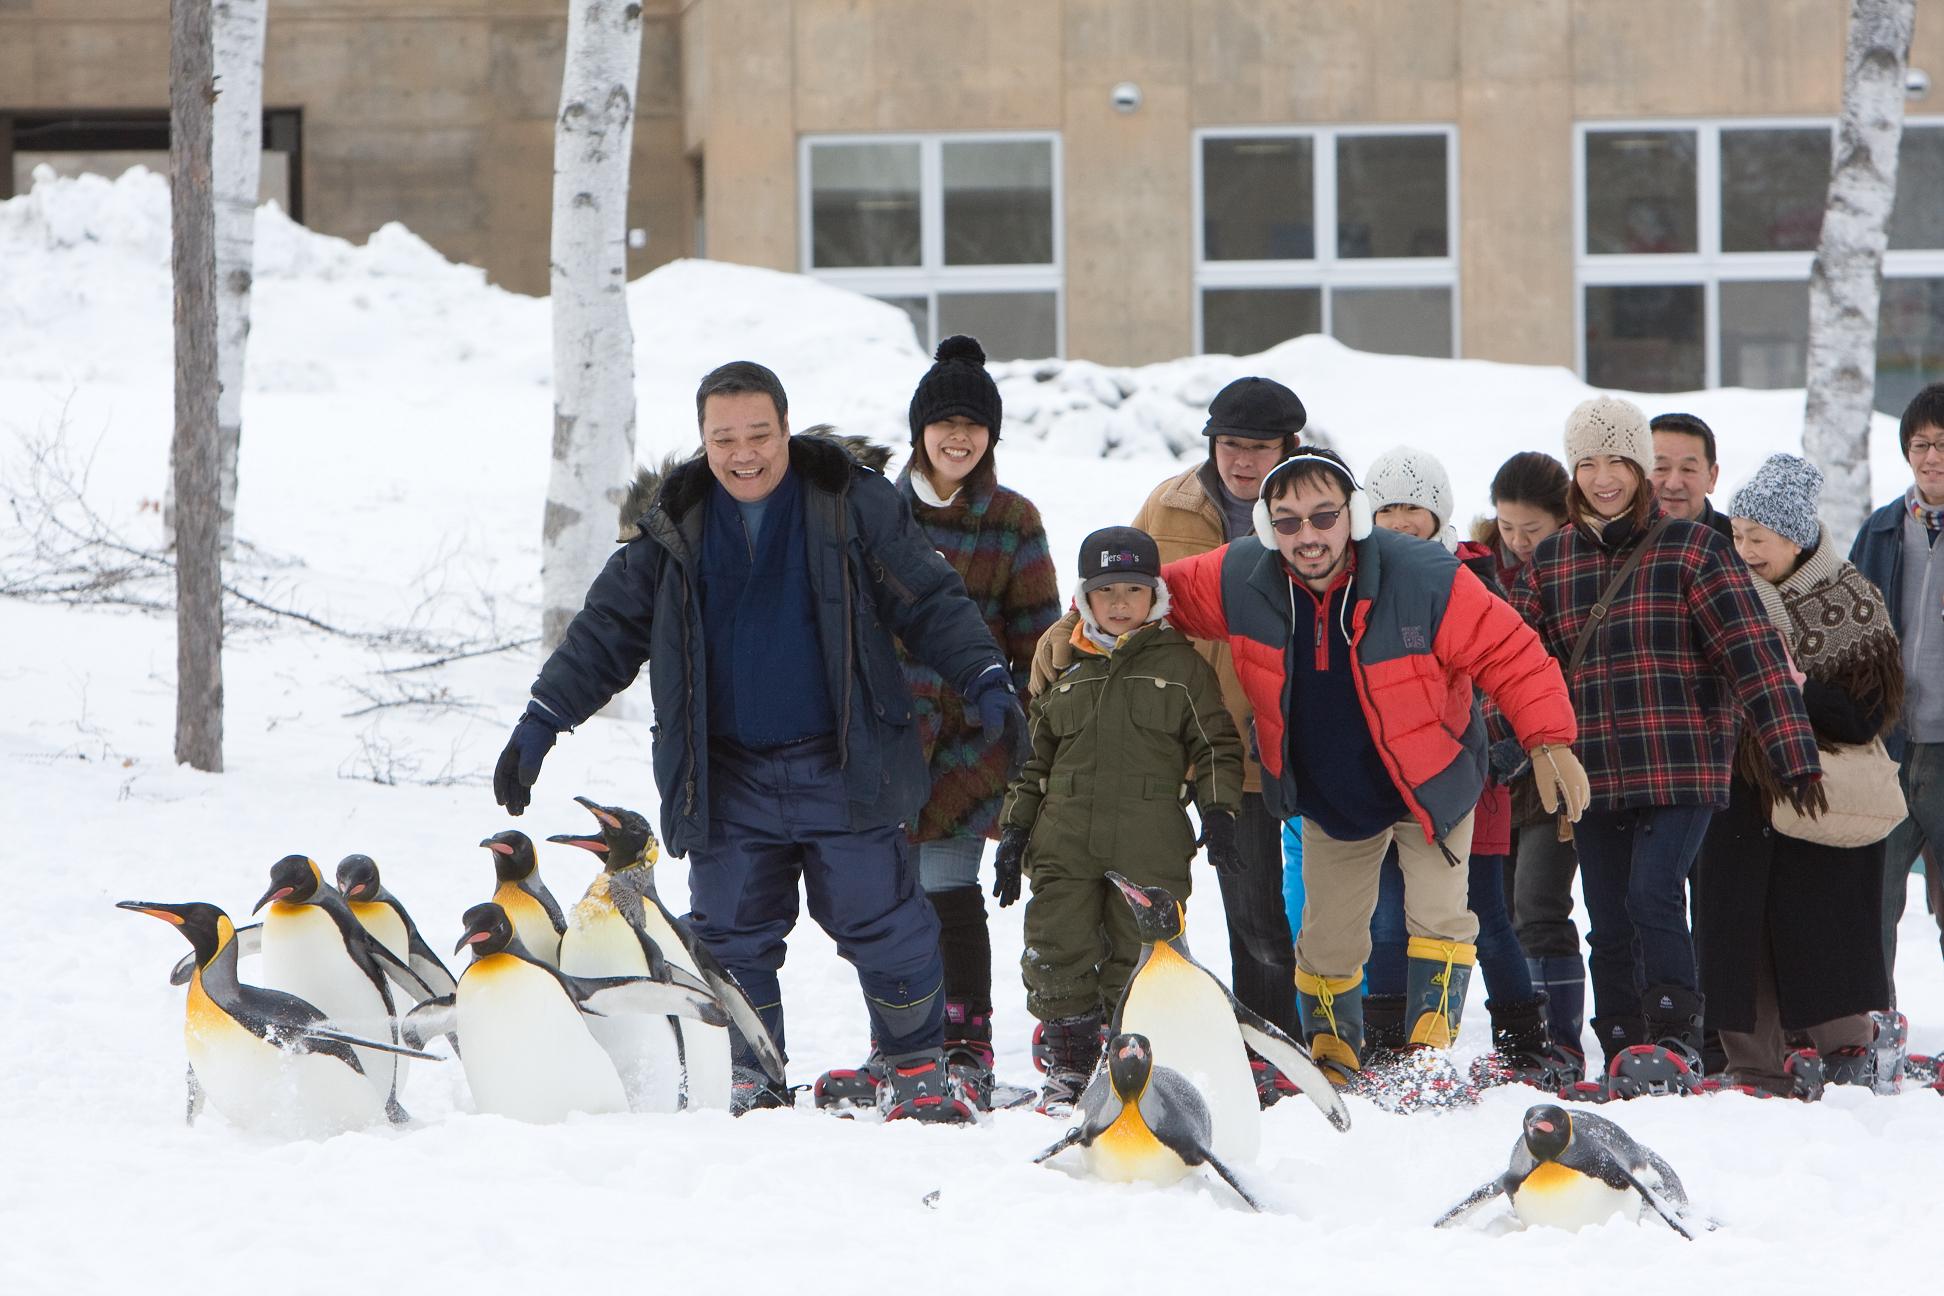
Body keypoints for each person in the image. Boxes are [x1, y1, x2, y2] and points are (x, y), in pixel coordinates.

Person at [492, 360, 1029, 1124]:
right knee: (732, 930)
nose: (744, 454)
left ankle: (915, 1066)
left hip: (844, 761)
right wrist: (543, 718)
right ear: (703, 442)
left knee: (884, 918)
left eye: (759, 434)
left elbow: (926, 596)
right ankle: (751, 1071)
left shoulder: (849, 502)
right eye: (724, 438)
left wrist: (984, 677)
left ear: (785, 427)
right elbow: (608, 629)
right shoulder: (675, 524)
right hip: (726, 772)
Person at [1163, 446, 1586, 1087]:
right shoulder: (1243, 576)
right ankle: (1333, 1055)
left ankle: (1428, 1058)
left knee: (1442, 916)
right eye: (1288, 521)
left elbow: (1512, 653)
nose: (1307, 535)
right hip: (1336, 793)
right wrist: (1080, 621)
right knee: (1329, 937)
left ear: (1354, 515)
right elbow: (1147, 594)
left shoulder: (1424, 576)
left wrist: (1549, 741)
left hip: (1433, 781)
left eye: (1323, 516)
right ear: (1265, 527)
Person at [1507, 395, 1822, 1095]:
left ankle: (1677, 1037)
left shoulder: (1693, 547)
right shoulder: (1554, 558)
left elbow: (1750, 650)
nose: (1602, 478)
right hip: (1596, 771)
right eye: (1586, 463)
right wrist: (1506, 743)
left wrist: (1791, 749)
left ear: (1639, 470)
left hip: (1682, 758)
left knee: (1654, 894)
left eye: (1616, 461)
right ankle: (1621, 1041)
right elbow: (1520, 662)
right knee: (1609, 913)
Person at [1031, 375, 1308, 1104]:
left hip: (1250, 739)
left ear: (1290, 448)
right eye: (1232, 446)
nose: (1245, 463)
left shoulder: (1304, 510)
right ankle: (1119, 1037)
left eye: (1261, 448)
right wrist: (1067, 632)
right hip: (1157, 736)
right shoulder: (1172, 503)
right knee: (1136, 907)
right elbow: (1119, 581)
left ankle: (1270, 1049)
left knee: (1258, 917)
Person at [995, 526, 1243, 1114]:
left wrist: (1220, 809)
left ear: (1154, 595)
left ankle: (1122, 1061)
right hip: (1065, 841)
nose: (1120, 602)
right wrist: (1014, 832)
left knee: (1141, 954)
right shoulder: (1067, 673)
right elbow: (1033, 765)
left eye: (1133, 589)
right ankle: (1070, 1063)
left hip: (1148, 841)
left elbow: (1216, 746)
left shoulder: (1181, 668)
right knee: (1057, 946)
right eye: (1106, 591)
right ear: (1084, 599)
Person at [1360, 446, 1572, 1084]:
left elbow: (1505, 669)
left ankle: (1523, 1041)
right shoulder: (1355, 582)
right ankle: (1388, 1043)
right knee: (1387, 916)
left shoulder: (1469, 580)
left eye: (1413, 509)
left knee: (1483, 914)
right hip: (1384, 786)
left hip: (1467, 784)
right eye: (1387, 509)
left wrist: (1506, 746)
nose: (1400, 522)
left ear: (1439, 514)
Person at [888, 335, 1058, 1102]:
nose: (958, 437)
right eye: (944, 423)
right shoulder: (877, 512)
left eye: (974, 425)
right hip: (884, 736)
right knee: (886, 898)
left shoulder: (1012, 518)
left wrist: (1024, 724)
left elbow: (1038, 635)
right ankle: (903, 1034)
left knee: (946, 887)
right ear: (919, 430)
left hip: (970, 737)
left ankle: (966, 1039)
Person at [1699, 454, 1900, 1096]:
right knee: (1737, 934)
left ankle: (1847, 1048)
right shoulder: (1718, 591)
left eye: (1758, 538)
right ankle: (1753, 1066)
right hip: (1737, 792)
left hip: (1819, 796)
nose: (1745, 549)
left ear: (1795, 537)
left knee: (1824, 929)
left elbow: (1871, 710)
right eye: (1738, 535)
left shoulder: (1852, 600)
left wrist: (1796, 691)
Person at [1475, 451, 1587, 1059]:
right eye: (1506, 526)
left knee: (1540, 904)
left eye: (1532, 530)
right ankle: (1522, 1042)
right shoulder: (1479, 567)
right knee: (1501, 911)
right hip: (1491, 766)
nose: (1517, 541)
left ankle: (1560, 1044)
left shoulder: (1572, 569)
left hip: (1551, 762)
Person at [1851, 381, 1944, 999]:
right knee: (1870, 901)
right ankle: (1869, 1028)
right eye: (1921, 444)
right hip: (1890, 744)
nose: (1932, 457)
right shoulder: (1882, 530)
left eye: (1943, 444)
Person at [1649, 412, 1732, 538]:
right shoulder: (1613, 540)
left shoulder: (1738, 546)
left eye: (1688, 469)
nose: (1673, 485)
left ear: (1712, 477)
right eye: (1660, 468)